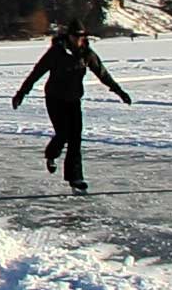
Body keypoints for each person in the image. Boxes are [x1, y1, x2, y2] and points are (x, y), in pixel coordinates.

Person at [11, 20, 131, 193]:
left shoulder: (86, 53)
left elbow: (102, 74)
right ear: (69, 36)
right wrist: (21, 93)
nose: (79, 40)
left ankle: (75, 178)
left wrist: (120, 92)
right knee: (63, 133)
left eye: (82, 36)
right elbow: (36, 73)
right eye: (76, 36)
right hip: (55, 99)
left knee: (75, 139)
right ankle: (51, 155)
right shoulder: (56, 52)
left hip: (74, 99)